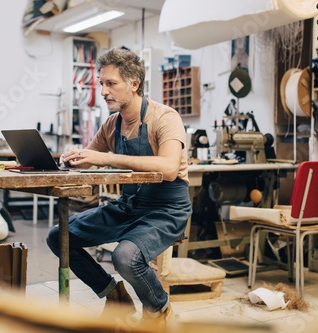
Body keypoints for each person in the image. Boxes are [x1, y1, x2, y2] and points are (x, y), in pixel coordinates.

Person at [46, 47, 192, 325]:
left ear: (134, 84)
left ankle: (159, 310)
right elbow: (90, 159)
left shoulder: (164, 117)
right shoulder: (112, 124)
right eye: (101, 83)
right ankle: (114, 295)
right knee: (59, 237)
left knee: (125, 257)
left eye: (111, 83)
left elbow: (170, 167)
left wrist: (106, 157)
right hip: (129, 206)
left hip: (166, 208)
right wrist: (75, 158)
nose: (103, 91)